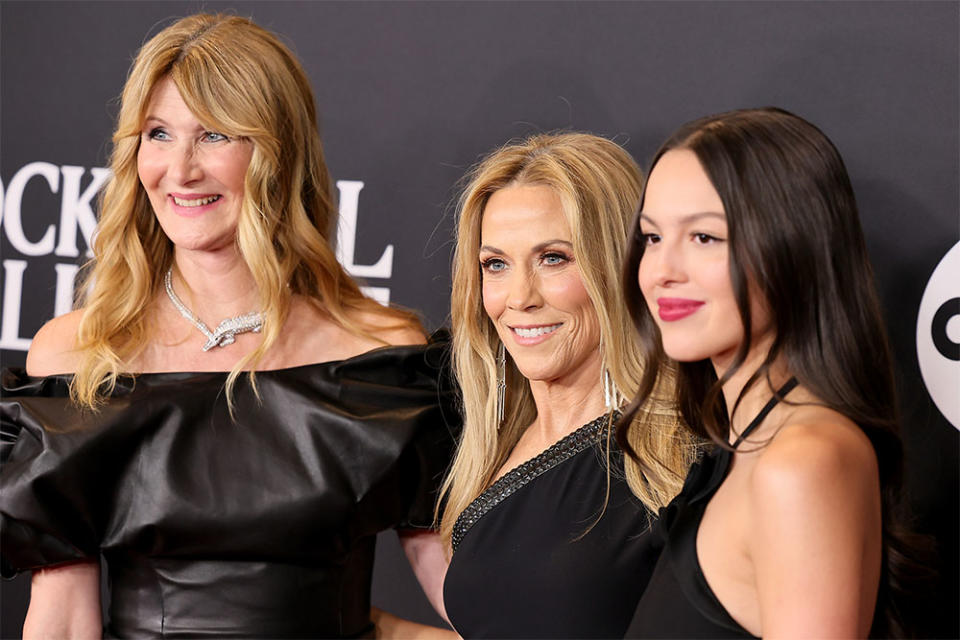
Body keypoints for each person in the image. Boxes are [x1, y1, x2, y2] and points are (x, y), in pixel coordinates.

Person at [0, 14, 458, 638]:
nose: (180, 170)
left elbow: (459, 590)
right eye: (159, 133)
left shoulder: (382, 358)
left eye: (214, 135)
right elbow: (62, 617)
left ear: (277, 151)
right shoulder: (77, 355)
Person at [619, 107, 917, 638]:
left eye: (705, 238)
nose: (662, 271)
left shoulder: (802, 462)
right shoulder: (743, 449)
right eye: (653, 237)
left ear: (793, 248)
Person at [439, 132, 696, 638]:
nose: (519, 297)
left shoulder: (680, 461)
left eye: (553, 258)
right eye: (496, 265)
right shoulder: (489, 449)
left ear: (620, 266)